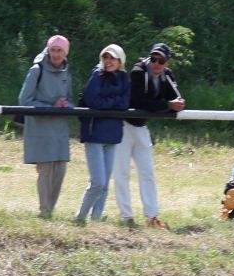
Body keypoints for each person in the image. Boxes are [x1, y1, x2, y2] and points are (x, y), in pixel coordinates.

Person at [120, 42, 183, 228]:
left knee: (147, 172)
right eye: (153, 58)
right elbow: (140, 101)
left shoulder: (167, 75)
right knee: (122, 173)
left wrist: (175, 103)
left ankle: (152, 216)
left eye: (161, 60)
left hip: (140, 127)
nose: (156, 63)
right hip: (123, 125)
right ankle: (127, 217)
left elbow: (175, 98)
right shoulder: (138, 72)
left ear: (167, 62)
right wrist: (168, 105)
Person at [18, 35, 75, 218]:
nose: (56, 54)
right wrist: (51, 107)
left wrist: (67, 106)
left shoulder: (67, 71)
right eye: (53, 50)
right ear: (48, 50)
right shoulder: (37, 70)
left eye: (60, 50)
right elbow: (24, 100)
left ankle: (50, 210)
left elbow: (71, 99)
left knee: (60, 169)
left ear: (66, 53)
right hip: (40, 127)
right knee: (45, 169)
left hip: (59, 129)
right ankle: (44, 212)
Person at [76, 44, 131, 222]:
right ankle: (80, 217)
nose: (108, 61)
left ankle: (96, 220)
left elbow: (125, 103)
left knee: (105, 184)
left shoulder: (124, 78)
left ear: (120, 61)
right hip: (94, 133)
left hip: (113, 135)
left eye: (112, 58)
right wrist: (114, 102)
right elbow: (93, 101)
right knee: (98, 182)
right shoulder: (96, 76)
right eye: (105, 57)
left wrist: (109, 102)